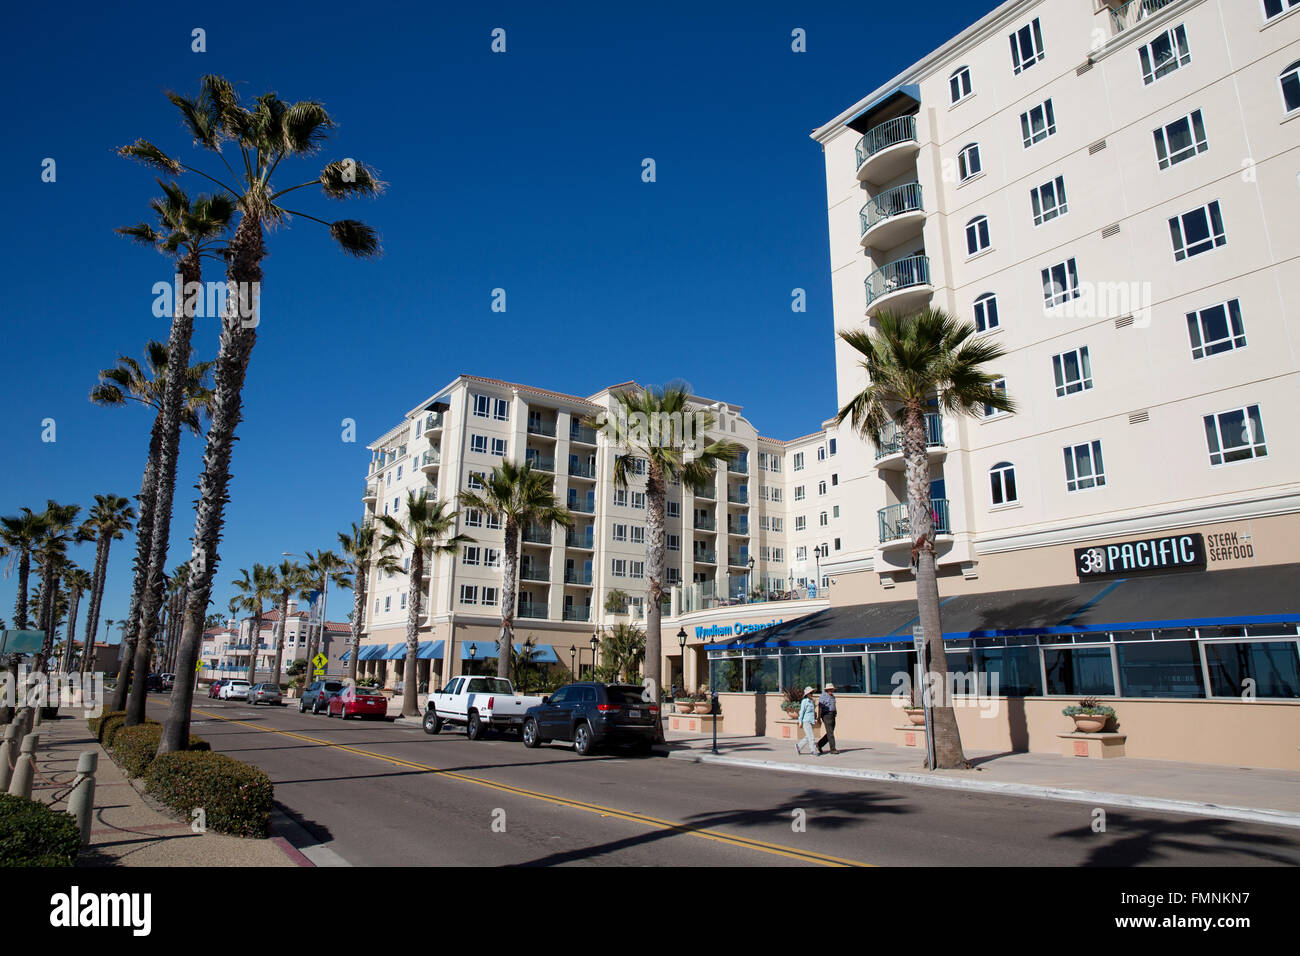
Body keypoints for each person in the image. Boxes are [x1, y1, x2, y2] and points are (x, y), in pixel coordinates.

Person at [794, 686, 819, 756]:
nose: (811, 694)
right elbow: (801, 712)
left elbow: (812, 712)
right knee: (811, 737)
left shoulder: (812, 701)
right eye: (810, 693)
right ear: (807, 694)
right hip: (806, 721)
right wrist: (800, 721)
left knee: (808, 736)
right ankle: (813, 751)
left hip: (811, 721)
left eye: (812, 693)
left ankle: (799, 746)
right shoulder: (804, 701)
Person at [817, 683, 839, 755]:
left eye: (832, 689)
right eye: (830, 689)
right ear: (827, 689)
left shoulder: (832, 697)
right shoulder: (823, 696)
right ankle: (833, 749)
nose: (831, 690)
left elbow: (833, 705)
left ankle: (819, 744)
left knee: (830, 732)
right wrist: (819, 717)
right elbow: (820, 706)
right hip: (826, 715)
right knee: (830, 733)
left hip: (832, 715)